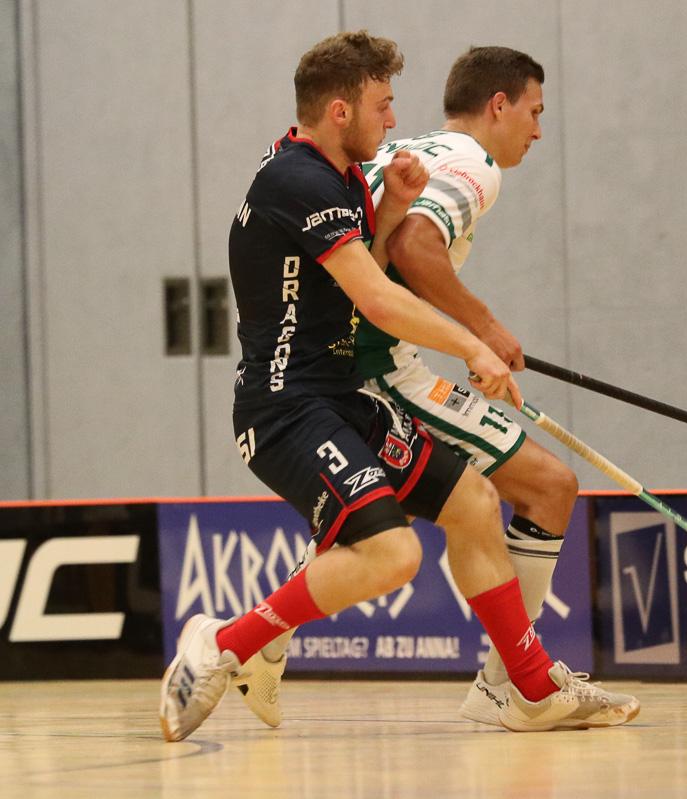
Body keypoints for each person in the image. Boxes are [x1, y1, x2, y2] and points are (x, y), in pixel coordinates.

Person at [158, 31, 638, 742]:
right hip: (285, 408)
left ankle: (530, 687)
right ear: (340, 111)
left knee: (474, 503)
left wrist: (388, 213)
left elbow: (365, 275)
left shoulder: (342, 179)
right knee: (395, 553)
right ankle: (226, 642)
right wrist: (474, 343)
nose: (393, 120)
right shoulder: (296, 181)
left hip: (343, 397)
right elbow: (379, 300)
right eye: (382, 105)